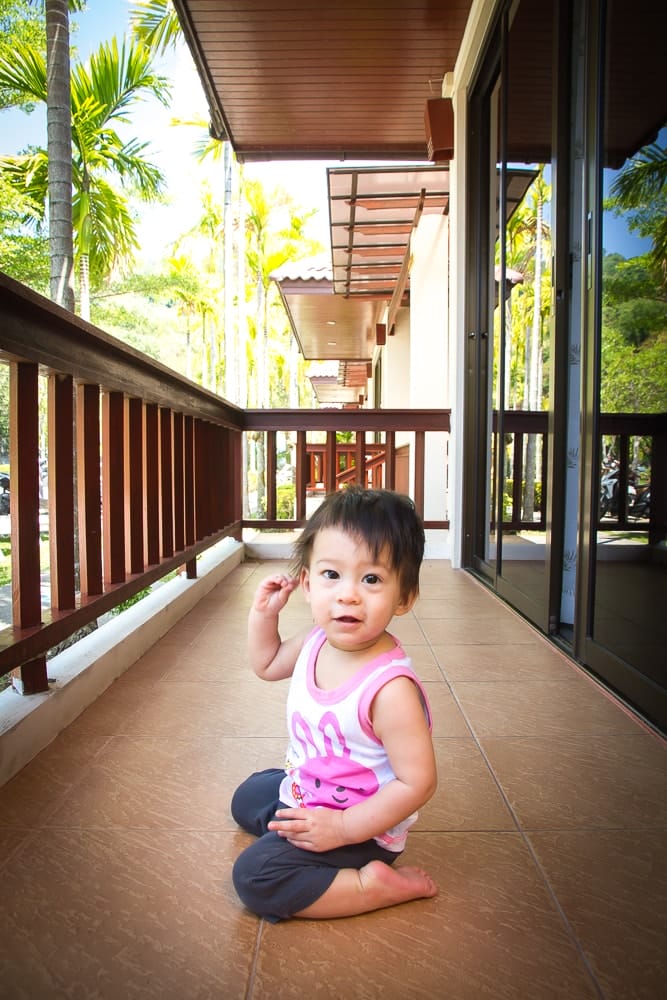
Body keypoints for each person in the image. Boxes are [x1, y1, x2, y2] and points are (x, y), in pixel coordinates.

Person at [231, 486, 438, 921]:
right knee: (247, 797)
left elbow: (417, 783)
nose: (348, 595)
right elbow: (267, 664)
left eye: (372, 579)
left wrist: (342, 828)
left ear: (404, 597)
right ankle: (299, 821)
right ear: (307, 583)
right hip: (314, 790)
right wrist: (263, 615)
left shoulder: (389, 689)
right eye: (331, 575)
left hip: (362, 826)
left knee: (256, 877)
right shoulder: (316, 640)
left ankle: (371, 883)